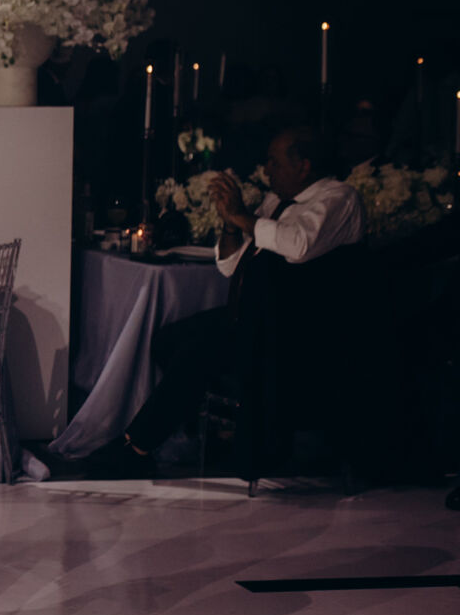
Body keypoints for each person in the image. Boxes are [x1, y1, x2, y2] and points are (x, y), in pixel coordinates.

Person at [72, 126, 366, 478]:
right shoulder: (275, 201)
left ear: (303, 166)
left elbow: (298, 244)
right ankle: (208, 434)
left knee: (197, 353)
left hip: (300, 330)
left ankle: (137, 447)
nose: (267, 170)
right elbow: (230, 266)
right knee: (167, 340)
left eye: (274, 162)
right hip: (256, 318)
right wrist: (230, 224)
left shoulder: (339, 198)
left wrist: (241, 215)